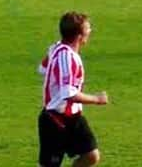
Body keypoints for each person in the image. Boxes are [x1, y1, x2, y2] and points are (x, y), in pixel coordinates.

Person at [37, 12, 108, 167]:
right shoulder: (68, 58)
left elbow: (42, 69)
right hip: (54, 120)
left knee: (91, 156)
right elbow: (68, 93)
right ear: (79, 36)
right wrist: (97, 99)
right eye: (88, 29)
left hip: (73, 118)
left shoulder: (56, 47)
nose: (90, 31)